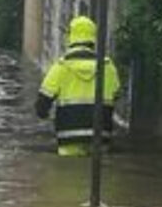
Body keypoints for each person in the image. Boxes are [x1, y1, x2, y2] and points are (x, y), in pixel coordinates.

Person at [36, 15, 120, 156]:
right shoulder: (107, 66)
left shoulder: (61, 66)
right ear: (93, 37)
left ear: (71, 37)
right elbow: (116, 95)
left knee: (67, 174)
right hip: (100, 136)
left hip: (69, 137)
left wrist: (45, 115)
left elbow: (42, 103)